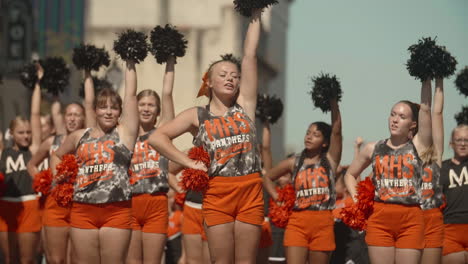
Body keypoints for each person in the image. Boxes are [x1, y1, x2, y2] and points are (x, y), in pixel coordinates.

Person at [149, 8, 263, 264]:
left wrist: (256, 11)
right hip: (217, 191)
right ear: (209, 82)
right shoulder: (196, 115)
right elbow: (157, 138)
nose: (230, 79)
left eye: (234, 76)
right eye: (223, 75)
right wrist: (189, 162)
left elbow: (249, 55)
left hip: (250, 189)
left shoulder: (245, 105)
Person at [50, 58, 138, 263]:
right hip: (82, 209)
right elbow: (56, 156)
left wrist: (130, 60)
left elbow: (131, 96)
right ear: (95, 111)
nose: (108, 111)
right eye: (103, 107)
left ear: (120, 112)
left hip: (117, 210)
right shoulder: (79, 136)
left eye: (114, 108)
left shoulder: (125, 133)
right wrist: (60, 178)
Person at [344, 79, 432, 264]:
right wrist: (357, 199)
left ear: (413, 124)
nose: (395, 119)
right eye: (392, 114)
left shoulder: (419, 146)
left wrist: (427, 78)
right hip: (380, 217)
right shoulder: (372, 148)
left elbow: (426, 110)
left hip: (411, 218)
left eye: (402, 116)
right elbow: (350, 175)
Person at [263, 96, 342, 264]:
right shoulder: (294, 162)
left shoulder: (330, 160)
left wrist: (333, 101)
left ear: (325, 142)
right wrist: (277, 198)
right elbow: (268, 177)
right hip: (297, 222)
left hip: (323, 223)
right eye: (308, 133)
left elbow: (336, 132)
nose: (309, 137)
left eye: (316, 135)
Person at [27, 69, 95, 264]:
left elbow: (89, 105)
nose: (72, 118)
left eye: (77, 115)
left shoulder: (87, 141)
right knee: (55, 260)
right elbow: (31, 165)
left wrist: (86, 72)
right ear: (64, 118)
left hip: (80, 204)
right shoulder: (51, 142)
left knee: (75, 259)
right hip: (54, 206)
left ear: (83, 119)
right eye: (69, 114)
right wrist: (43, 180)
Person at [126, 56, 176, 264]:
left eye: (151, 106)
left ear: (157, 112)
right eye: (142, 104)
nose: (146, 109)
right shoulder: (126, 134)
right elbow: (128, 93)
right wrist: (130, 60)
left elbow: (167, 93)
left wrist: (171, 59)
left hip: (156, 202)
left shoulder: (162, 132)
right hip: (129, 202)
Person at [0, 64, 44, 264]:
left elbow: (34, 115)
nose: (26, 136)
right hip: (6, 207)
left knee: (27, 260)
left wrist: (37, 84)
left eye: (28, 132)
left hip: (29, 206)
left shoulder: (33, 150)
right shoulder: (3, 151)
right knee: (9, 259)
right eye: (21, 132)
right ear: (12, 134)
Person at [420, 78, 445, 264]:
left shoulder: (435, 154)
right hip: (408, 216)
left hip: (432, 217)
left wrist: (438, 79)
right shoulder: (403, 153)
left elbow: (435, 112)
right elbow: (424, 110)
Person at [440, 122, 468, 264]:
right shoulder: (442, 168)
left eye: (466, 140)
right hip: (450, 229)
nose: (463, 144)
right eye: (459, 140)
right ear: (451, 143)